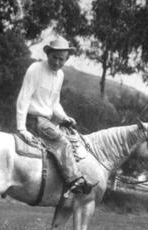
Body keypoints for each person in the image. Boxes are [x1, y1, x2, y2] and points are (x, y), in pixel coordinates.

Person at [15, 36, 95, 195]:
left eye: (62, 60)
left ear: (66, 60)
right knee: (63, 142)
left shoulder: (60, 75)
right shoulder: (35, 69)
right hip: (34, 120)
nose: (57, 63)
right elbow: (23, 98)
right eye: (55, 58)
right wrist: (21, 128)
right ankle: (74, 181)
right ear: (48, 54)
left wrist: (64, 117)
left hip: (47, 120)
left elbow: (54, 103)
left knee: (74, 141)